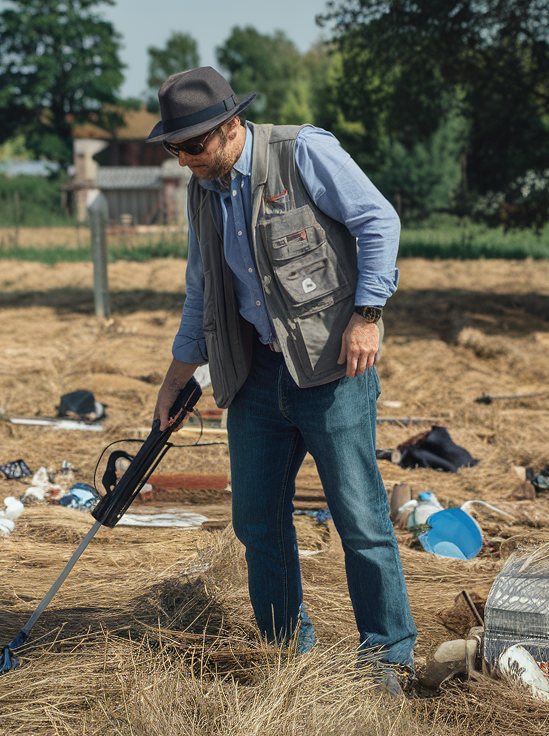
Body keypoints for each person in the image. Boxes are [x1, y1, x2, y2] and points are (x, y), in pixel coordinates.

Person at [148, 67, 416, 675]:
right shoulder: (202, 190)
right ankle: (282, 652)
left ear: (231, 125)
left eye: (191, 146)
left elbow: (380, 222)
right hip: (254, 377)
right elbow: (202, 290)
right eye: (173, 148)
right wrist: (175, 379)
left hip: (331, 369)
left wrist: (367, 316)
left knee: (359, 518)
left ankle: (388, 655)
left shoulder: (302, 153)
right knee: (256, 521)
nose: (183, 159)